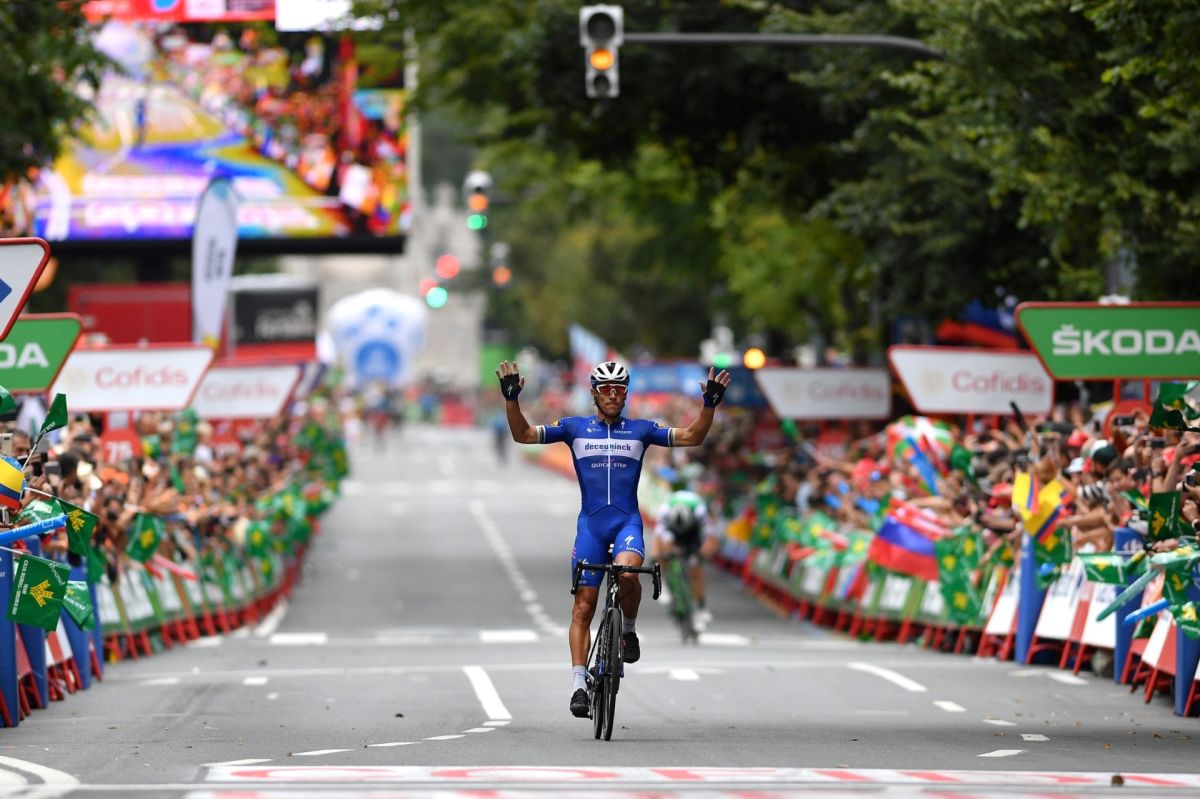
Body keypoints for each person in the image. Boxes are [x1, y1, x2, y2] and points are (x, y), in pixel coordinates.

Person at [495, 359, 731, 718]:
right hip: (591, 527)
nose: (612, 395)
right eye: (605, 389)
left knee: (628, 573)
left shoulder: (641, 430)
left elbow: (691, 437)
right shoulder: (574, 428)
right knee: (584, 607)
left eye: (619, 390)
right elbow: (524, 435)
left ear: (625, 394)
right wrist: (512, 400)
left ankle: (628, 631)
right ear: (594, 394)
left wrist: (709, 404)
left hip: (626, 525)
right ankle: (579, 684)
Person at [652, 488, 719, 630]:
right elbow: (657, 539)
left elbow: (710, 539)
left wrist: (702, 554)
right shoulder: (665, 511)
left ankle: (701, 607)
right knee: (663, 553)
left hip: (693, 534)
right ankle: (665, 582)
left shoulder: (700, 512)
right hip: (671, 532)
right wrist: (657, 557)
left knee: (696, 568)